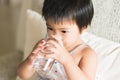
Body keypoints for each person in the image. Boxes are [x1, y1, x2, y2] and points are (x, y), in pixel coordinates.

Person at [17, 0, 98, 80]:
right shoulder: (44, 45)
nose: (54, 35)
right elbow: (23, 75)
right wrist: (29, 60)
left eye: (64, 31)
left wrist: (66, 60)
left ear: (83, 28)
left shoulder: (86, 54)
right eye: (50, 28)